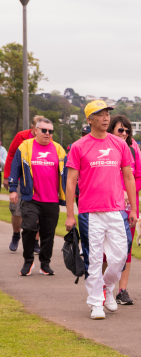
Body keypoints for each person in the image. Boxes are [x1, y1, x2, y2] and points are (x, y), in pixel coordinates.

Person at [65, 100, 137, 320]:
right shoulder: (79, 146)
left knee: (120, 256)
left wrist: (134, 209)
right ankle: (96, 302)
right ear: (89, 119)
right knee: (94, 258)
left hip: (116, 210)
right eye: (100, 114)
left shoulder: (119, 144)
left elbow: (129, 177)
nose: (106, 118)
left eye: (107, 114)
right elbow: (71, 182)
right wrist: (70, 215)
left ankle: (107, 287)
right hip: (90, 212)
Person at [8, 118, 66, 276]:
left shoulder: (59, 149)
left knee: (48, 233)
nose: (47, 133)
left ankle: (45, 264)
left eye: (50, 131)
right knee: (29, 228)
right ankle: (28, 261)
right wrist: (13, 189)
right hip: (31, 198)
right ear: (36, 131)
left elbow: (66, 173)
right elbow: (15, 169)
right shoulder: (25, 147)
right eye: (44, 130)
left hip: (52, 200)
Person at [109, 115, 141, 306]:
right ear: (111, 130)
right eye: (120, 130)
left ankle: (122, 290)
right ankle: (105, 289)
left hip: (129, 208)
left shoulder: (133, 148)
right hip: (108, 205)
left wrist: (128, 193)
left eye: (127, 130)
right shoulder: (105, 148)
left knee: (126, 249)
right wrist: (118, 192)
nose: (124, 134)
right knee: (106, 250)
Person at [4, 115, 44, 252]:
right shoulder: (21, 136)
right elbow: (10, 156)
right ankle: (16, 235)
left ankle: (35, 242)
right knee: (16, 211)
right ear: (32, 127)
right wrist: (7, 177)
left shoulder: (47, 138)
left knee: (37, 212)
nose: (43, 131)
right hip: (21, 179)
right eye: (39, 128)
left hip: (37, 181)